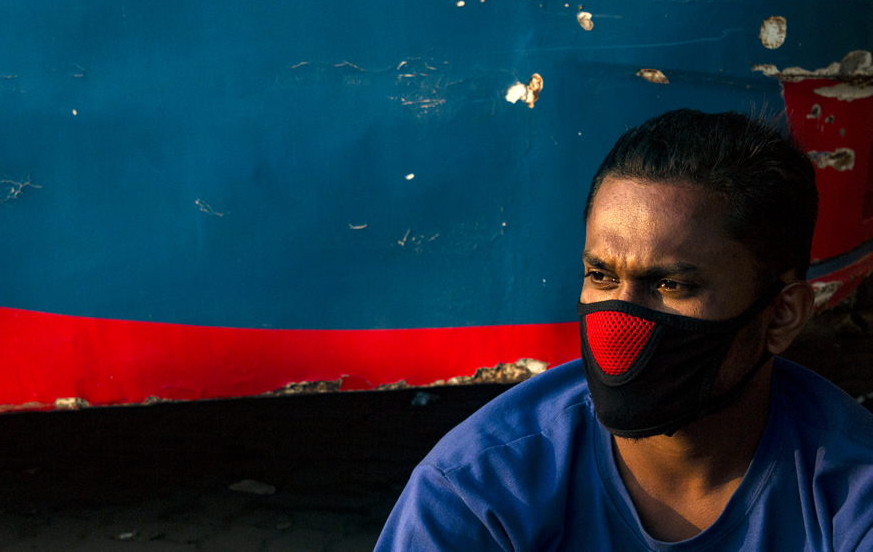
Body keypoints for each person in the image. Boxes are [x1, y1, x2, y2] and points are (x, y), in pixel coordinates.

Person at [374, 109, 873, 551]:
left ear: (782, 315)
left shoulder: (850, 490)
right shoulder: (476, 491)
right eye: (602, 276)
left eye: (671, 284)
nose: (619, 324)